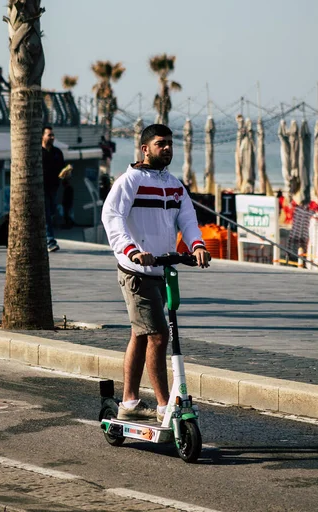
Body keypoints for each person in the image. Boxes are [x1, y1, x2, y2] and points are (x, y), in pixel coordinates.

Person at [101, 124, 210, 423]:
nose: (168, 148)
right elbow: (112, 218)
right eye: (161, 143)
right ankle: (165, 405)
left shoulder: (174, 185)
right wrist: (130, 250)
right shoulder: (130, 181)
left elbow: (187, 219)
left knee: (141, 334)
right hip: (136, 271)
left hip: (161, 270)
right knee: (159, 336)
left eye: (170, 144)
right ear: (145, 149)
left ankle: (130, 401)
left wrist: (196, 245)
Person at [42, 125, 69, 252]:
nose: (52, 138)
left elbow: (62, 169)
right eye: (49, 135)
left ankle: (45, 239)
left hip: (54, 188)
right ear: (42, 136)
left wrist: (66, 173)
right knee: (46, 214)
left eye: (53, 135)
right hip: (41, 189)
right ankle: (50, 240)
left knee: (50, 213)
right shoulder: (38, 152)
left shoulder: (57, 152)